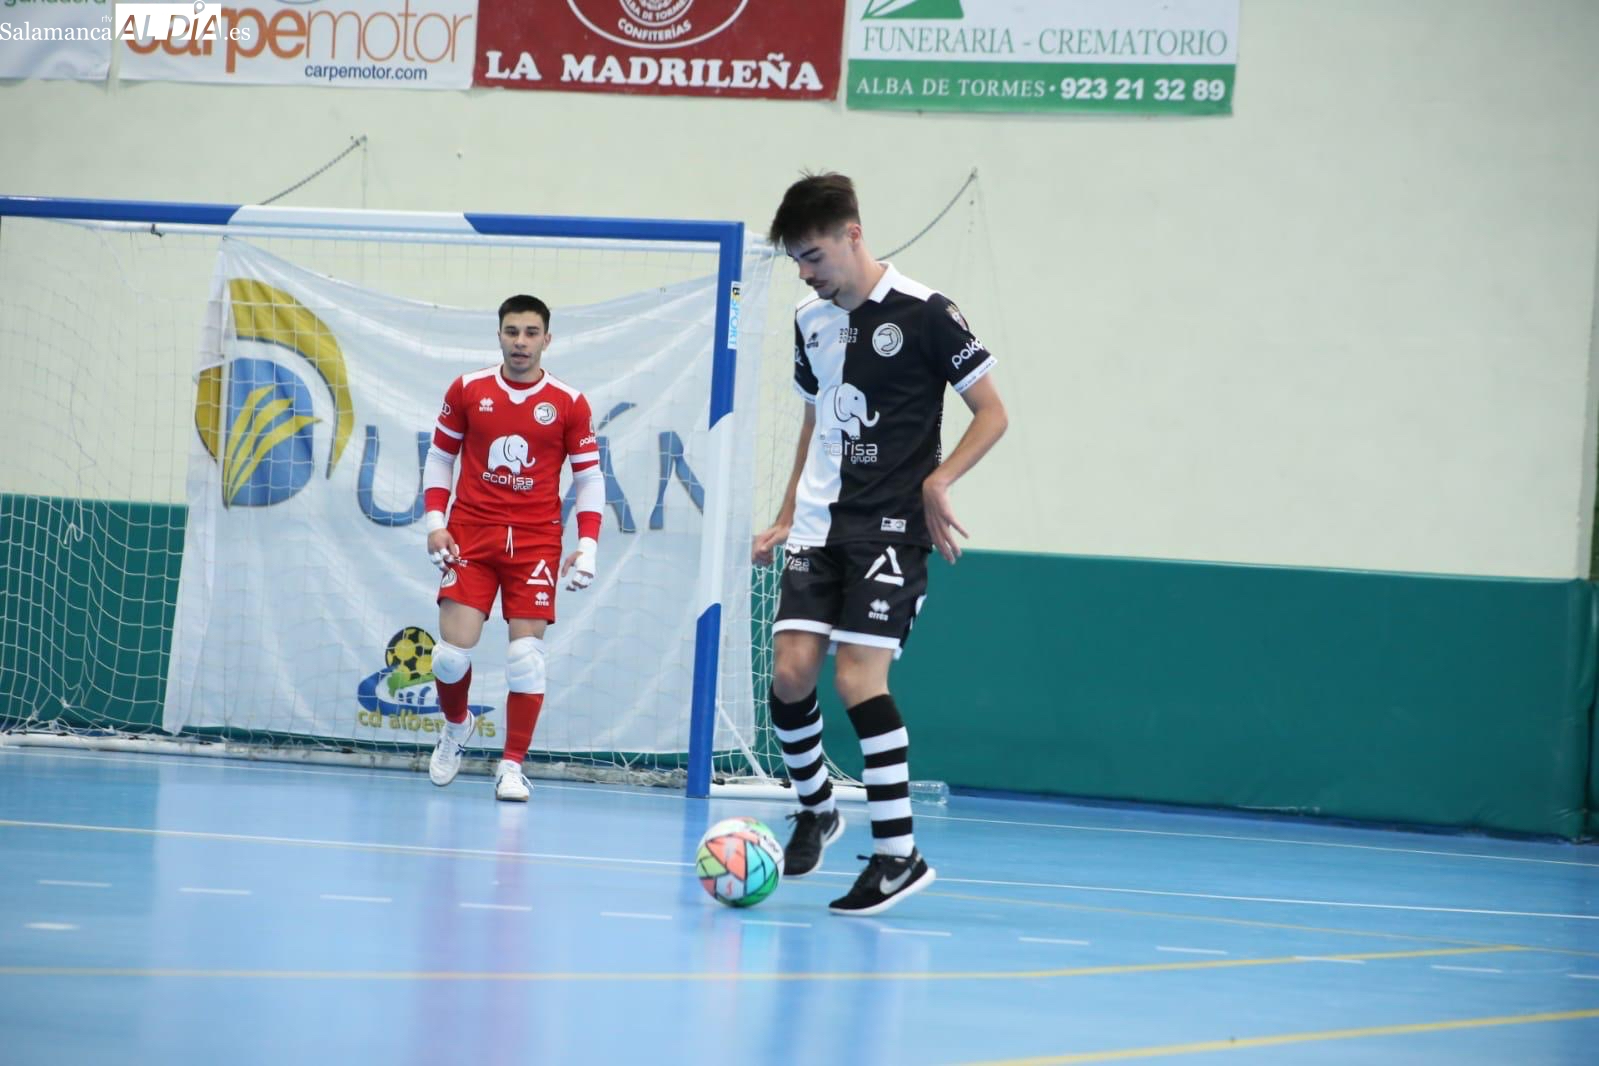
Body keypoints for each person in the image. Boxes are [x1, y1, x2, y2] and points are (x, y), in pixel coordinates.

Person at [754, 172, 1009, 915]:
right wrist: (784, 514)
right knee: (790, 675)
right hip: (818, 523)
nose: (806, 273)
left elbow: (992, 413)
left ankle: (899, 856)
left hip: (890, 524)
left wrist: (939, 481)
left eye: (813, 256)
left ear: (852, 236)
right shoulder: (810, 318)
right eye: (797, 261)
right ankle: (816, 808)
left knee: (857, 681)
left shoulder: (927, 314)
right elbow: (816, 418)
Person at [420, 294, 604, 802]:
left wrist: (588, 545)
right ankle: (456, 725)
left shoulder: (569, 402)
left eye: (530, 333)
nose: (520, 342)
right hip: (471, 534)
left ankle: (512, 766)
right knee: (449, 658)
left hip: (535, 542)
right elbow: (440, 457)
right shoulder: (468, 389)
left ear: (547, 339)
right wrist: (435, 523)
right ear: (499, 335)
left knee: (526, 658)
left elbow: (589, 478)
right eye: (512, 331)